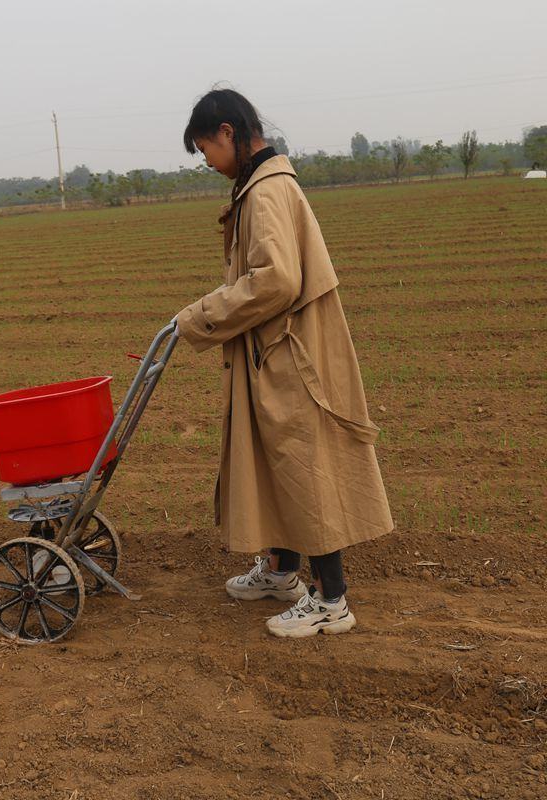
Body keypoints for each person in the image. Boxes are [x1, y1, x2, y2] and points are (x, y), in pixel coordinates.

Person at [175, 89, 394, 638]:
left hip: (290, 351)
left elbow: (276, 280)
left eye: (205, 147)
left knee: (302, 460)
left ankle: (331, 601)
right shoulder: (259, 184)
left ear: (227, 132)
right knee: (279, 458)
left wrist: (202, 315)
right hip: (274, 347)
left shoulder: (268, 190)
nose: (206, 160)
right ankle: (282, 570)